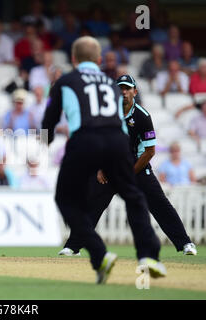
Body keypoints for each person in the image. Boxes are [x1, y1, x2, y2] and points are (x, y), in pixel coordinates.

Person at [41, 36, 166, 284]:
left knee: (66, 199)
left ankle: (99, 254)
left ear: (74, 59)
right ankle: (149, 256)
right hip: (118, 142)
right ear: (99, 61)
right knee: (133, 196)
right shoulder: (111, 83)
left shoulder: (65, 81)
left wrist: (44, 143)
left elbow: (49, 122)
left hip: (85, 140)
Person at [60, 75, 197, 257]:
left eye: (127, 88)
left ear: (134, 91)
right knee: (91, 204)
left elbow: (149, 151)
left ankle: (185, 243)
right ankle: (73, 247)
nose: (123, 92)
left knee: (159, 204)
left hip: (137, 167)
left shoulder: (142, 116)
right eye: (120, 89)